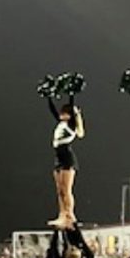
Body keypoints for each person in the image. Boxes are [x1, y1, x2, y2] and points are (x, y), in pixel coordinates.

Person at [46, 91, 85, 228]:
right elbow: (52, 110)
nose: (61, 115)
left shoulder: (71, 125)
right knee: (59, 190)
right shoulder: (61, 123)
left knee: (66, 189)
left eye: (64, 113)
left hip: (67, 157)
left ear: (70, 115)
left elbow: (71, 104)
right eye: (61, 113)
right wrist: (48, 96)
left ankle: (69, 214)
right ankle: (61, 214)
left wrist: (71, 93)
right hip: (58, 157)